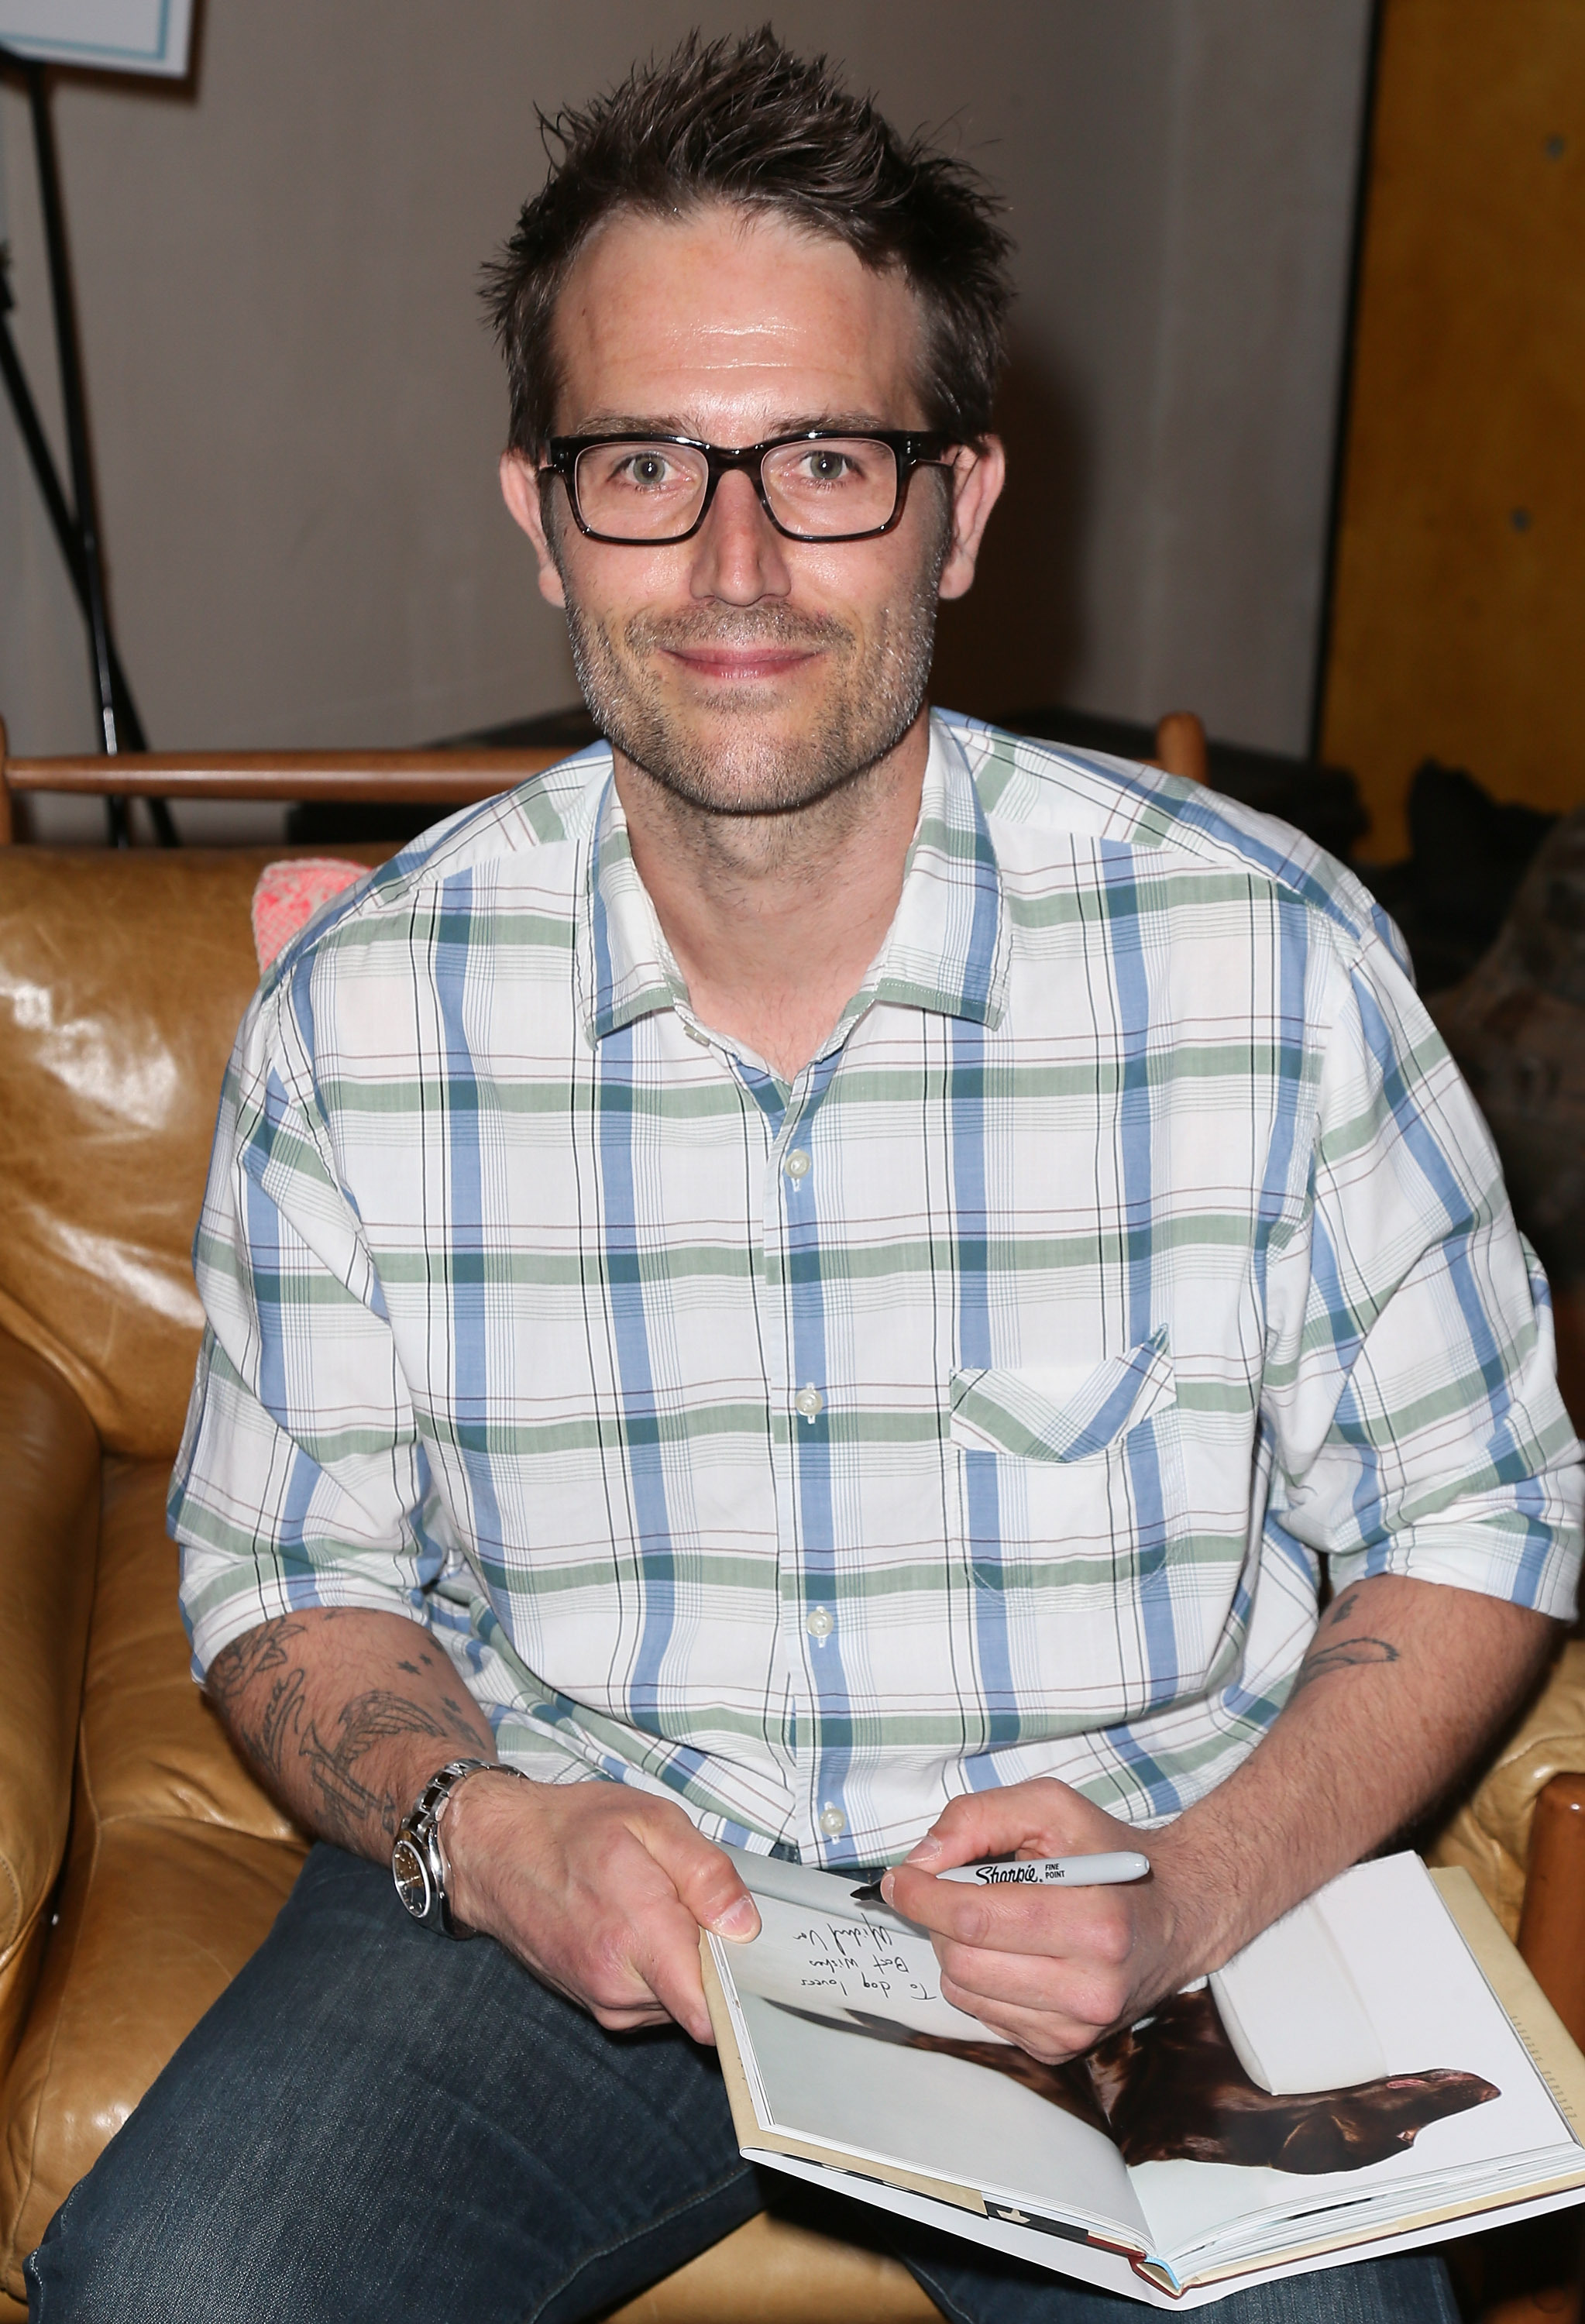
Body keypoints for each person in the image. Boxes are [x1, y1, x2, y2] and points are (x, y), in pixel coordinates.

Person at [30, 29, 1580, 2324]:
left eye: (825, 461)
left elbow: (1482, 1507)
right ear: (543, 513)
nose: (735, 560)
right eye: (648, 461)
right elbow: (289, 1578)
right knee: (182, 2290)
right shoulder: (371, 1016)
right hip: (569, 1891)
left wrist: (1200, 1885)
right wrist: (493, 1830)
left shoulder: (1262, 960)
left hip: (1131, 1929)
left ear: (959, 504)